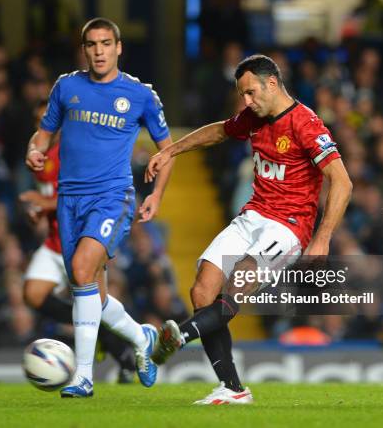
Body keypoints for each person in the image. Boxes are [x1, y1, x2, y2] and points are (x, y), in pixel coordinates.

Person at [146, 55, 352, 404]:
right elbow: (220, 131)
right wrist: (171, 151)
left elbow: (342, 181)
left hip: (289, 226)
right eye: (242, 94)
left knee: (238, 282)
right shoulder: (254, 117)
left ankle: (178, 337)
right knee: (202, 291)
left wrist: (323, 236)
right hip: (253, 215)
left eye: (250, 92)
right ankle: (232, 388)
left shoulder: (306, 123)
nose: (246, 101)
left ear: (272, 83)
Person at [25, 18, 175, 398]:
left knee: (79, 270)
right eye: (92, 44)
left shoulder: (140, 95)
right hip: (69, 200)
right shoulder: (67, 87)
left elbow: (168, 149)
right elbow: (44, 133)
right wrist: (35, 149)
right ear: (84, 49)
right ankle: (142, 337)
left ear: (118, 47)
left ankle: (84, 376)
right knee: (91, 293)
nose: (99, 51)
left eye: (106, 43)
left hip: (112, 197)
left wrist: (156, 195)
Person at [21, 134, 137, 383]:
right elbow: (53, 196)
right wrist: (39, 211)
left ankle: (126, 357)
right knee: (32, 293)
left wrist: (44, 203)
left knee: (100, 304)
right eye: (39, 120)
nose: (45, 126)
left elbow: (82, 194)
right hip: (55, 243)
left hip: (81, 243)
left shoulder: (76, 149)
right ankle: (101, 334)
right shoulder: (40, 157)